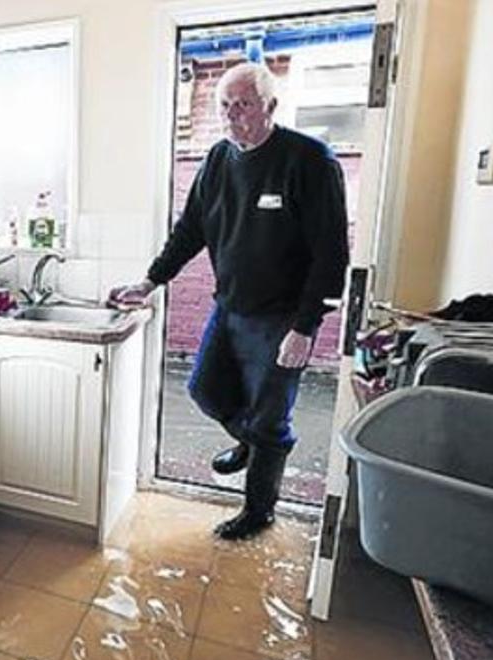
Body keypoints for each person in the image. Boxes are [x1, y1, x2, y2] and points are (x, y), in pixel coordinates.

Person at [110, 62, 349, 540]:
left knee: (270, 417)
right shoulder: (218, 160)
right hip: (232, 305)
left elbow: (332, 254)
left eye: (243, 105)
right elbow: (191, 230)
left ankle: (259, 510)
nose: (232, 115)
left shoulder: (310, 161)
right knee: (204, 389)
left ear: (270, 107)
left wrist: (305, 327)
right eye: (224, 105)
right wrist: (151, 282)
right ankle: (251, 442)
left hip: (283, 317)